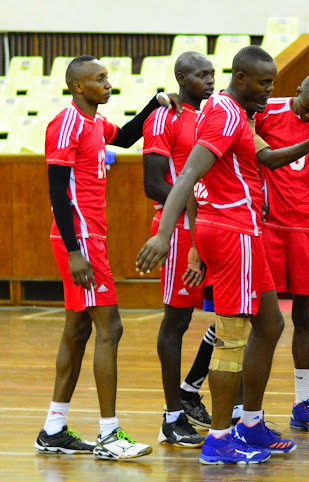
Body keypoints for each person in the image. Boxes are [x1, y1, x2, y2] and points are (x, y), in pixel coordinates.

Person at [136, 46, 309, 465]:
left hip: (243, 232)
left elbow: (267, 157)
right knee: (231, 340)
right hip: (233, 233)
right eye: (265, 83)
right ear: (242, 78)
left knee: (270, 325)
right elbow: (188, 175)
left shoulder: (231, 111)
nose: (270, 92)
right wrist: (165, 235)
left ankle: (250, 424)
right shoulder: (227, 115)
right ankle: (219, 439)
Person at [37, 55, 177, 460]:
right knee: (110, 329)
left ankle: (53, 428)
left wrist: (154, 103)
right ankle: (109, 434)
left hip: (89, 236)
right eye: (99, 79)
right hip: (79, 239)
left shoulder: (96, 124)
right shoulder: (66, 123)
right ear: (78, 87)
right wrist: (74, 250)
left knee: (77, 331)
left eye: (107, 77)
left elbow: (129, 136)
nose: (107, 83)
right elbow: (57, 192)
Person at [253, 73, 309, 432]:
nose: (307, 118)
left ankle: (302, 404)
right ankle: (247, 408)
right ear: (295, 94)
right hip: (270, 227)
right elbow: (243, 137)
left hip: (308, 229)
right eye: (304, 109)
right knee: (259, 319)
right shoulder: (268, 111)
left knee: (304, 318)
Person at [142, 51, 216, 446]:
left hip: (216, 228)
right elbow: (154, 183)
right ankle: (171, 418)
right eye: (200, 74)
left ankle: (191, 389)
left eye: (211, 73)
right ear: (180, 78)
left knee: (233, 316)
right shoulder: (164, 117)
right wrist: (194, 210)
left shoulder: (211, 115)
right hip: (181, 232)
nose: (208, 79)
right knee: (177, 322)